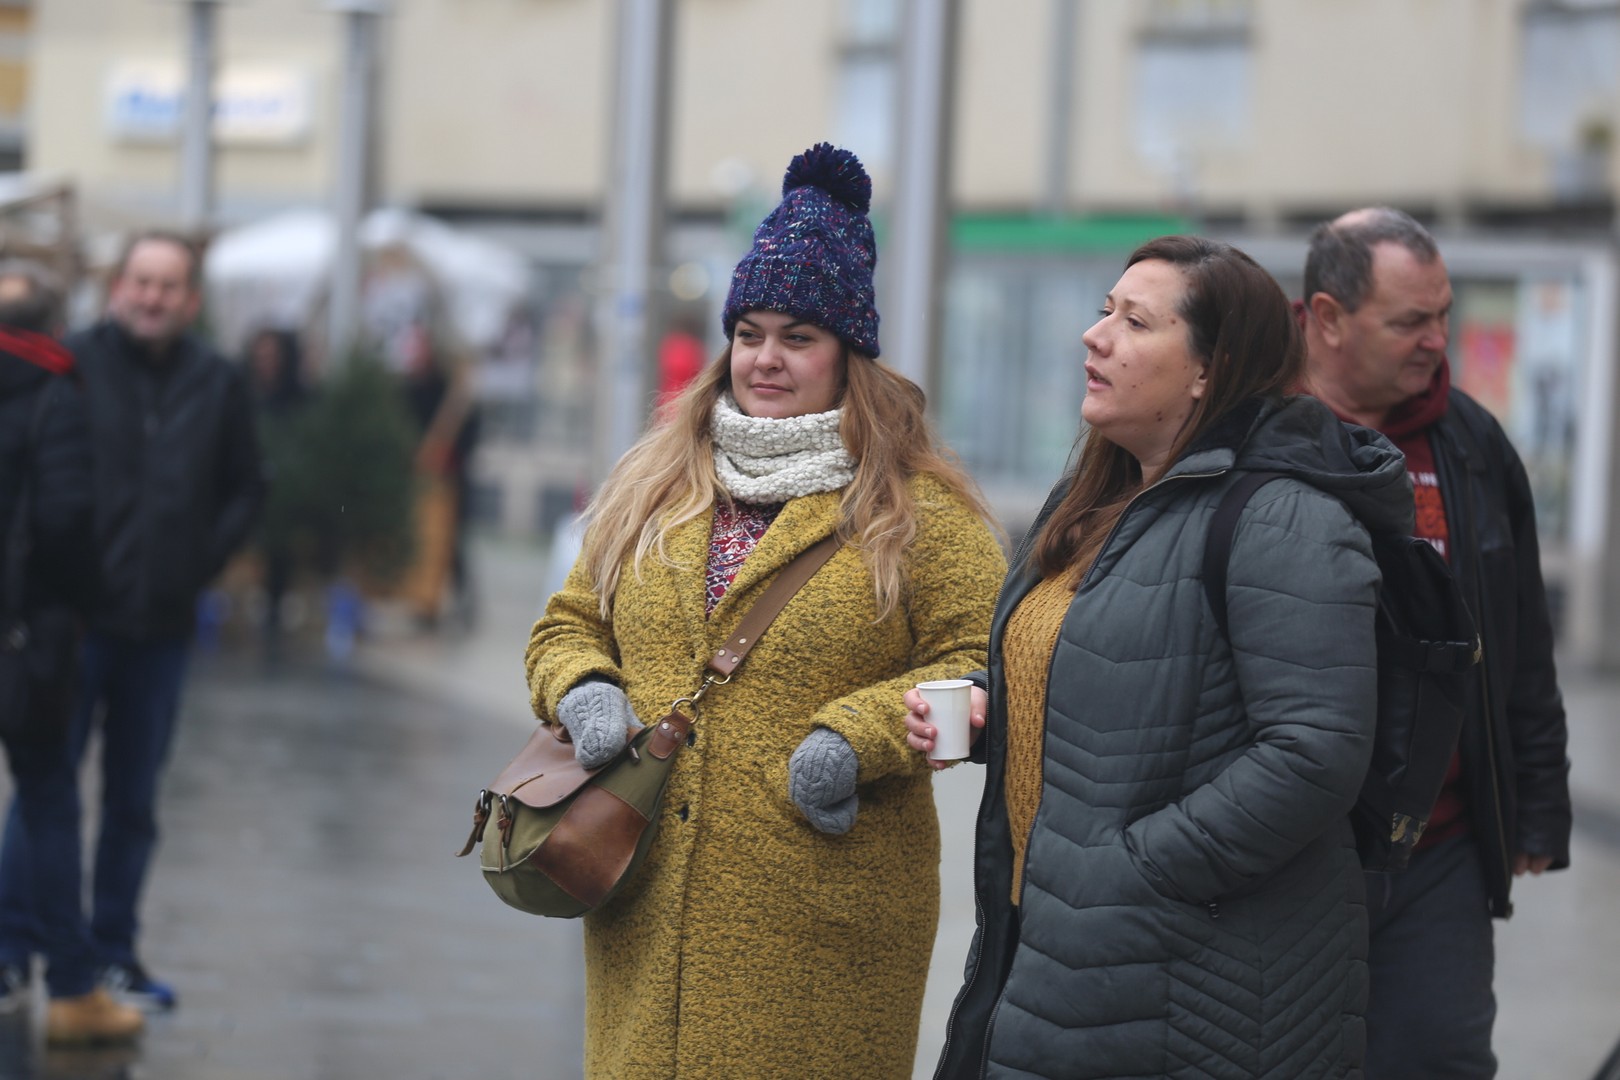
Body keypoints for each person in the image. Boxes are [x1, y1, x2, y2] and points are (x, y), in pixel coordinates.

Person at [526, 143, 1006, 1079]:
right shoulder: (657, 485)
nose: (765, 360)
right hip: (644, 897)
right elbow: (567, 622)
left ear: (848, 354)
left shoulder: (921, 513)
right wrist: (583, 691)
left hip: (825, 916)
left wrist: (857, 738)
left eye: (798, 337)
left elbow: (982, 667)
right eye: (748, 333)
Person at [912, 236, 1411, 1079]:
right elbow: (1126, 675)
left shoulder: (1284, 517)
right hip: (1058, 950)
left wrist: (1132, 871)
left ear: (1208, 372)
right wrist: (992, 703)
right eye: (1105, 309)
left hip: (1186, 981)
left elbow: (1315, 753)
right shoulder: (1101, 501)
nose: (1093, 336)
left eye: (1134, 321)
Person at [1299, 208, 1571, 1079]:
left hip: (1440, 844)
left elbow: (1521, 633)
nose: (1436, 341)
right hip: (1293, 849)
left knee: (1439, 1055)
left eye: (1443, 315)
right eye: (1410, 320)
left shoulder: (1475, 446)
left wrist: (1537, 802)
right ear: (1327, 319)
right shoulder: (1252, 433)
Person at [0, 232, 266, 1012]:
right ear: (117, 287)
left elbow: (247, 486)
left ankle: (112, 952)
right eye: (140, 281)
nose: (152, 297)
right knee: (45, 791)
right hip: (73, 626)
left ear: (191, 299)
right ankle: (15, 949)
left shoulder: (218, 380)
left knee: (133, 801)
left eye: (169, 285)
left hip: (161, 628)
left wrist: (199, 563)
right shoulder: (67, 363)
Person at [0, 260, 143, 1044]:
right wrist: (87, 601)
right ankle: (69, 991)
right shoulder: (56, 389)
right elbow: (62, 523)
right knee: (50, 799)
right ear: (52, 327)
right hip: (30, 639)